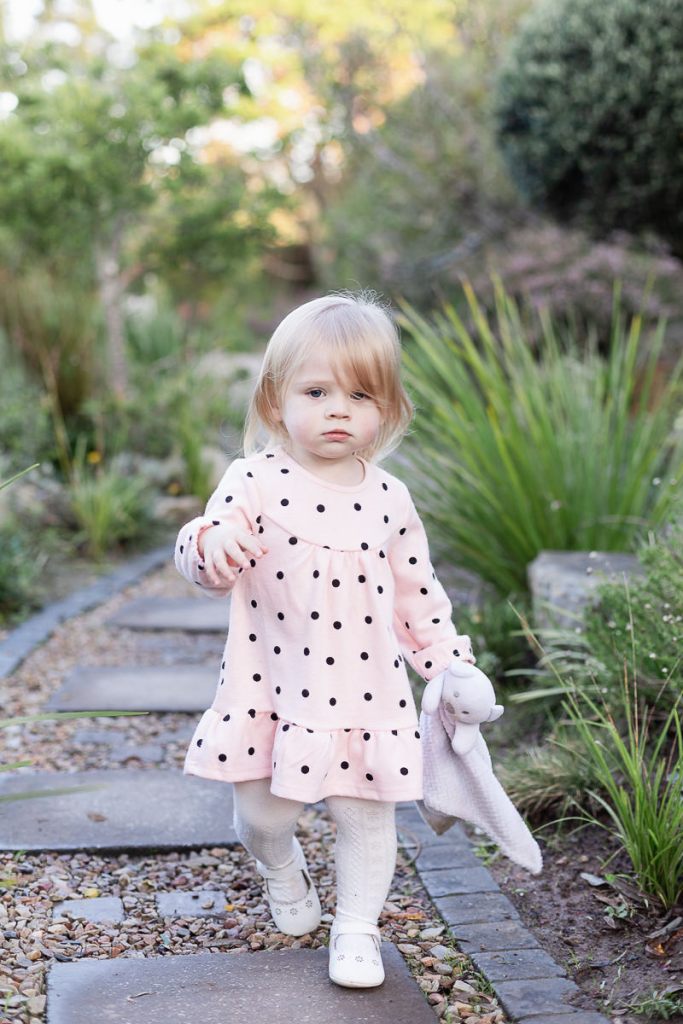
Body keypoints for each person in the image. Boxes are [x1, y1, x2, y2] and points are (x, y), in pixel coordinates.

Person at [174, 292, 476, 988]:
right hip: (269, 688)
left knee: (366, 820)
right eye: (316, 390)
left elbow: (416, 595)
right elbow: (204, 552)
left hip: (366, 692)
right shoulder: (252, 481)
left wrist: (448, 666)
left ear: (387, 410)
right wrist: (210, 544)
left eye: (360, 394)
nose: (339, 408)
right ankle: (280, 865)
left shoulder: (390, 499)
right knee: (261, 814)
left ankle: (356, 931)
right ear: (276, 403)